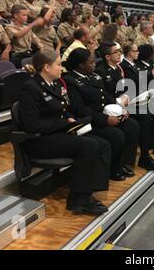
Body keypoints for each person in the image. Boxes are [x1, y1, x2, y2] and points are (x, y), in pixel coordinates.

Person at [18, 51, 111, 215]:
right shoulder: (30, 88)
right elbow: (31, 125)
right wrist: (63, 123)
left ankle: (91, 188)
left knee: (102, 143)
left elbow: (63, 109)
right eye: (59, 64)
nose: (62, 68)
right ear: (46, 67)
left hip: (59, 133)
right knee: (89, 145)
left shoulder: (56, 84)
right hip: (41, 140)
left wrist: (71, 120)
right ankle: (78, 200)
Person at [63, 48, 140, 179]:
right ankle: (112, 169)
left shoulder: (94, 76)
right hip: (90, 120)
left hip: (106, 113)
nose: (94, 65)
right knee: (116, 135)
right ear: (81, 65)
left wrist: (121, 108)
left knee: (132, 126)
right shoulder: (70, 81)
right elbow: (79, 109)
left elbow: (105, 95)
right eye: (91, 62)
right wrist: (105, 119)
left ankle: (125, 163)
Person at [95, 42, 154, 171]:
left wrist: (128, 96)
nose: (120, 53)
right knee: (143, 117)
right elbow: (103, 93)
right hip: (111, 107)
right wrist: (119, 101)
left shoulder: (118, 68)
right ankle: (134, 159)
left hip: (125, 103)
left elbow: (126, 87)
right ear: (108, 57)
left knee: (146, 114)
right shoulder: (101, 70)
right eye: (117, 52)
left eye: (120, 51)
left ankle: (143, 156)